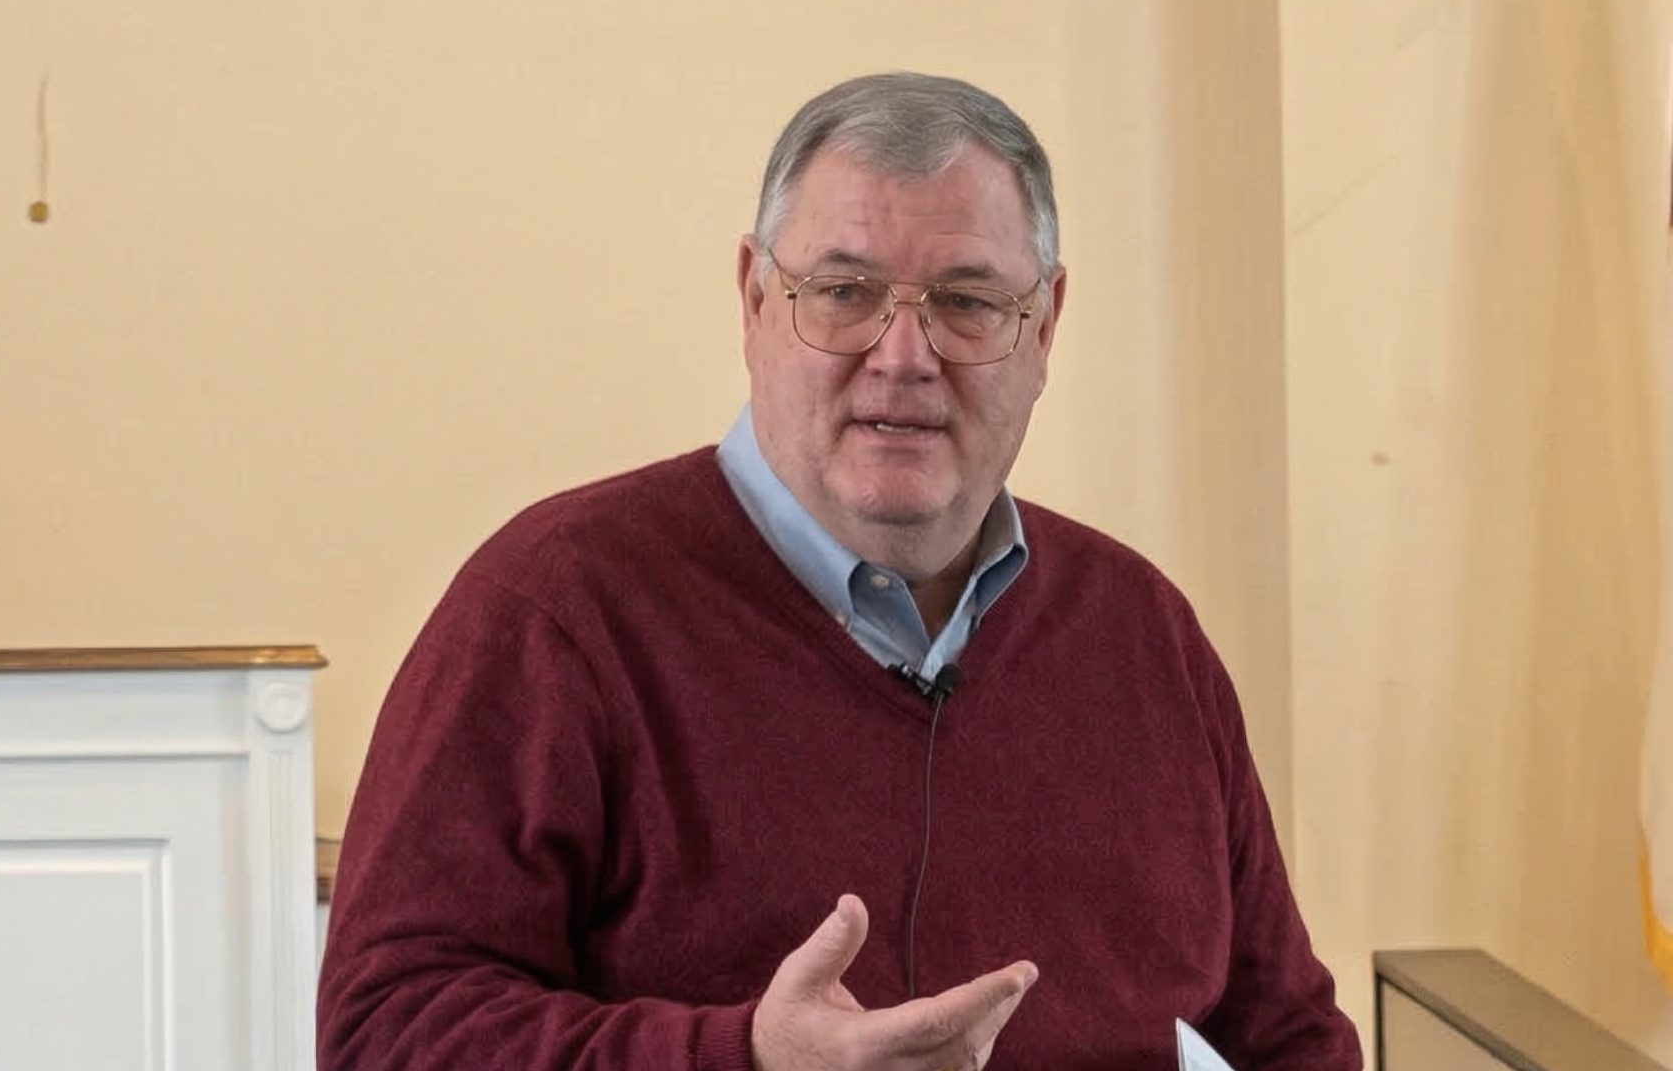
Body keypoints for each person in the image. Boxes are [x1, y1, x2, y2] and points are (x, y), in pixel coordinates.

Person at [318, 72, 1361, 1070]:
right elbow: (384, 1033)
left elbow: (1288, 1041)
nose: (903, 356)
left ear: (1044, 328)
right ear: (753, 301)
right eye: (844, 292)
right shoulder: (554, 610)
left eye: (967, 302)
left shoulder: (1143, 633)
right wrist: (745, 1059)